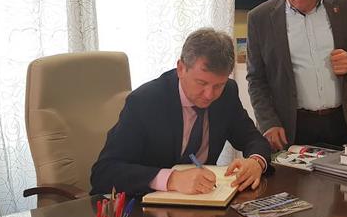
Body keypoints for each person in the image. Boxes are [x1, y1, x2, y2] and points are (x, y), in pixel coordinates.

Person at [90, 28, 270, 196]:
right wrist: (172, 179)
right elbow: (104, 172)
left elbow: (253, 139)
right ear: (181, 68)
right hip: (146, 211)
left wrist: (256, 162)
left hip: (204, 204)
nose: (209, 95)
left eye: (218, 85)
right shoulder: (145, 101)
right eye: (201, 83)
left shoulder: (227, 93)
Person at [246, 0, 347, 151]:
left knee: (342, 184)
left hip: (340, 123)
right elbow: (256, 79)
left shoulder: (344, 7)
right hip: (291, 126)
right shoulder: (260, 18)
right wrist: (268, 122)